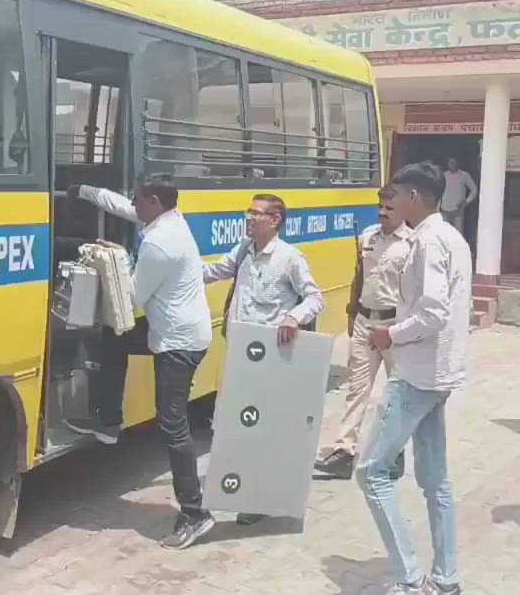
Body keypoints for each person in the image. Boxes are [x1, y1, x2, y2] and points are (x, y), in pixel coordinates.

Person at [63, 175, 217, 550]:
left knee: (173, 427)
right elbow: (119, 204)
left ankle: (195, 513)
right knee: (110, 341)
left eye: (138, 201)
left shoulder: (161, 243)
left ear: (153, 202)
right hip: (173, 331)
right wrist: (84, 189)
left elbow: (131, 296)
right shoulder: (168, 220)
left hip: (177, 343)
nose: (134, 206)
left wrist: (113, 257)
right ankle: (109, 421)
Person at [361, 162, 472, 595]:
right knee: (435, 479)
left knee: (371, 471)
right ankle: (446, 579)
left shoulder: (429, 241)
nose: (390, 202)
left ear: (414, 197)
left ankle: (409, 579)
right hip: (438, 372)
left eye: (397, 194)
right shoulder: (452, 238)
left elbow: (432, 312)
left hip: (418, 373)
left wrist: (389, 334)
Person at [204, 193, 325, 525]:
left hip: (271, 356)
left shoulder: (290, 259)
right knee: (238, 424)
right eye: (248, 211)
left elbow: (315, 297)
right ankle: (241, 489)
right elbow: (214, 271)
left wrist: (293, 318)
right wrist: (177, 271)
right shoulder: (243, 250)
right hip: (240, 353)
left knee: (263, 426)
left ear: (275, 220)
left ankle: (259, 497)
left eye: (257, 213)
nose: (249, 218)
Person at [314, 186, 410, 481]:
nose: (382, 212)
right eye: (380, 206)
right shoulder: (367, 236)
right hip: (364, 322)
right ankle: (344, 451)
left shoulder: (413, 244)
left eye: (389, 208)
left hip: (395, 325)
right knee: (357, 389)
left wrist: (403, 330)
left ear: (404, 210)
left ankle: (394, 452)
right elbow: (359, 276)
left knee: (397, 393)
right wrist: (351, 313)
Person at [440, 157, 477, 236]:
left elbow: (474, 189)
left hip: (458, 210)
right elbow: (439, 191)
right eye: (450, 163)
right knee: (444, 235)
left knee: (458, 235)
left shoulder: (464, 175)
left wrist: (467, 201)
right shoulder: (444, 175)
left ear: (458, 164)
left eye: (454, 163)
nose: (452, 165)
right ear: (447, 164)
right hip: (445, 210)